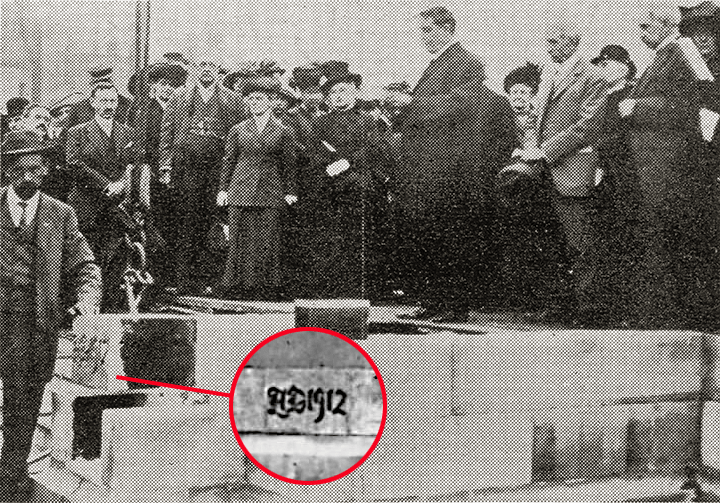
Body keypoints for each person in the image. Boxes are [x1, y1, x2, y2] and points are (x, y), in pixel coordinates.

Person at [395, 6, 516, 322]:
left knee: (451, 233)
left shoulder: (465, 61)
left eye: (428, 30)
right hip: (432, 167)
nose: (423, 37)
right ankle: (436, 300)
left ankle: (455, 304)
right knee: (433, 232)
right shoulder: (438, 64)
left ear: (447, 28)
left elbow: (460, 103)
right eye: (422, 31)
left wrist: (412, 103)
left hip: (449, 169)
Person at [0, 131, 101, 500]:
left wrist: (87, 306)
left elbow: (85, 266)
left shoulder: (61, 215)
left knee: (24, 400)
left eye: (37, 170)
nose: (30, 178)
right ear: (7, 171)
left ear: (45, 171)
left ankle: (10, 477)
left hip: (34, 324)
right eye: (22, 170)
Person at [621, 1, 717, 328]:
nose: (641, 33)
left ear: (665, 25)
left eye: (646, 27)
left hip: (668, 164)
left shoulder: (682, 52)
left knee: (665, 239)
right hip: (654, 164)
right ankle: (657, 314)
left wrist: (638, 106)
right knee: (656, 238)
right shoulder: (665, 55)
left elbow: (690, 105)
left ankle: (665, 317)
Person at [515, 17, 608, 326]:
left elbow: (588, 125)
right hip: (545, 170)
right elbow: (537, 119)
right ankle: (559, 304)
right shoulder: (548, 75)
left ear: (573, 42)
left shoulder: (592, 76)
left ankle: (588, 308)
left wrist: (544, 150)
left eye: (555, 41)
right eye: (549, 41)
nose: (549, 47)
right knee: (550, 240)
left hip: (571, 171)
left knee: (580, 241)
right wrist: (527, 145)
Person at [306, 63, 394, 299]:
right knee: (330, 237)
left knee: (360, 237)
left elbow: (376, 150)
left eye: (343, 90)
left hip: (359, 185)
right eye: (333, 93)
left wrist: (348, 161)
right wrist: (328, 164)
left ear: (354, 91)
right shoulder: (320, 123)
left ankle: (363, 290)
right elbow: (313, 152)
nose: (338, 96)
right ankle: (332, 287)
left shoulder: (367, 121)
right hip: (330, 185)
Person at [158, 54, 243, 295]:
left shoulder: (233, 100)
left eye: (212, 65)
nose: (207, 69)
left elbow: (239, 137)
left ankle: (213, 280)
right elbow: (166, 135)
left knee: (214, 221)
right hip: (186, 169)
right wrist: (166, 166)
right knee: (187, 221)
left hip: (218, 169)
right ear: (195, 69)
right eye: (203, 65)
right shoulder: (179, 97)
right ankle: (186, 281)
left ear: (219, 70)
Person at [215, 77, 298, 301]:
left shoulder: (283, 131)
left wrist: (290, 191)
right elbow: (228, 160)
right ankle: (235, 285)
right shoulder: (237, 129)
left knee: (267, 238)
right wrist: (222, 189)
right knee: (239, 239)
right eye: (251, 98)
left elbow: (289, 164)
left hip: (271, 189)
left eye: (260, 98)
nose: (255, 102)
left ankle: (266, 286)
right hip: (239, 188)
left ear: (270, 102)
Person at [66, 82, 140, 311]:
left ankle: (107, 309)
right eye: (103, 101)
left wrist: (121, 185)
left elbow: (134, 164)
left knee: (114, 258)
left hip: (116, 208)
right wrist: (106, 185)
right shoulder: (77, 132)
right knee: (86, 258)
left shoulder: (127, 132)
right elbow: (74, 164)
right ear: (93, 103)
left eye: (113, 101)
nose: (109, 105)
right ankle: (81, 309)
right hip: (87, 205)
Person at [591, 45, 642, 325]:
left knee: (625, 239)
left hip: (625, 178)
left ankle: (626, 309)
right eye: (601, 64)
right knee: (607, 240)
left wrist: (598, 148)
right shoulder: (605, 97)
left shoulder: (629, 95)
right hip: (607, 178)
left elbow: (624, 137)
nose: (604, 68)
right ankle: (612, 308)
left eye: (609, 63)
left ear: (624, 65)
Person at [129, 62, 188, 289]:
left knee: (176, 223)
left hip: (178, 175)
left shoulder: (182, 109)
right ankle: (155, 276)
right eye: (163, 84)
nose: (167, 89)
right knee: (154, 224)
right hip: (151, 176)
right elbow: (137, 145)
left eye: (172, 85)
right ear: (154, 86)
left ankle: (174, 276)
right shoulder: (143, 110)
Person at [66, 66, 133, 129]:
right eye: (97, 83)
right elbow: (67, 135)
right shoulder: (79, 108)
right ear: (92, 85)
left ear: (111, 82)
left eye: (106, 81)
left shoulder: (127, 104)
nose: (102, 86)